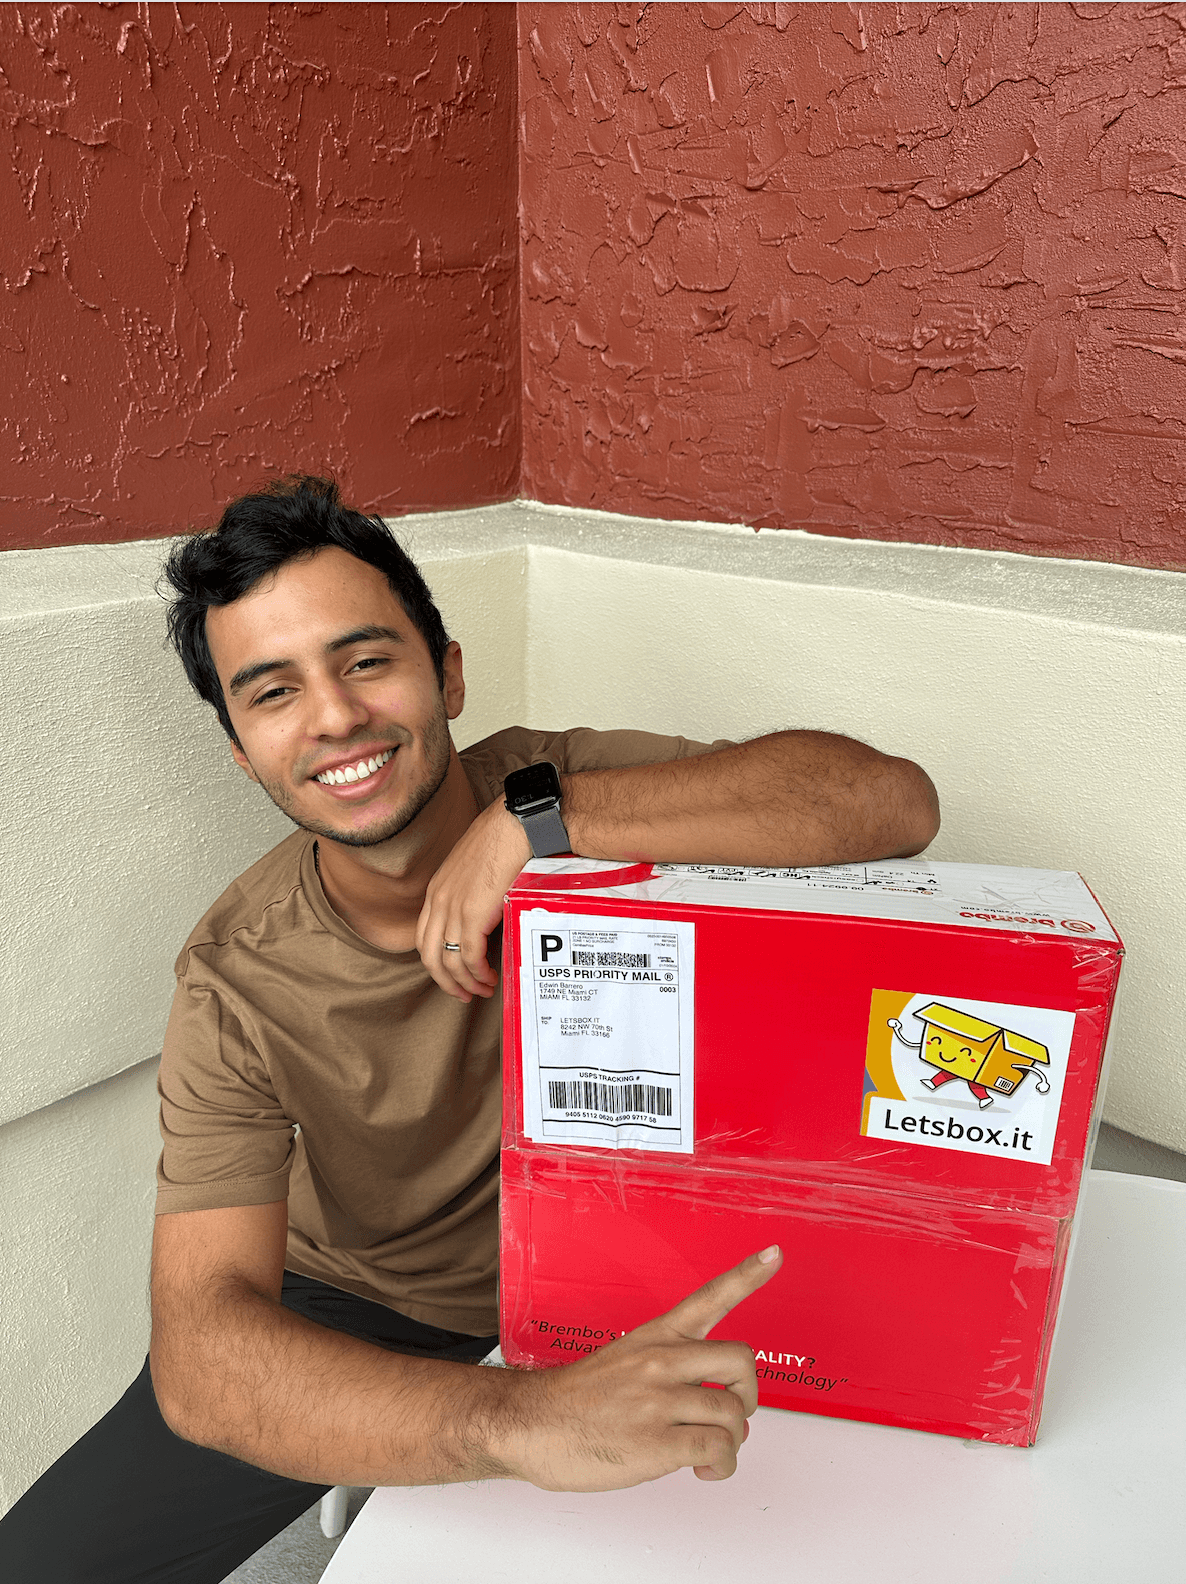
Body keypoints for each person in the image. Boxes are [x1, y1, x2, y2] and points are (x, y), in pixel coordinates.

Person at [0, 476, 940, 1582]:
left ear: (445, 672)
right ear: (242, 751)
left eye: (364, 661)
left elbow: (890, 804)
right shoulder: (236, 977)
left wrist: (545, 823)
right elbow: (205, 1358)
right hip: (380, 1302)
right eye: (273, 692)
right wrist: (514, 1421)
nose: (336, 717)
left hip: (633, 1261)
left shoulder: (558, 782)